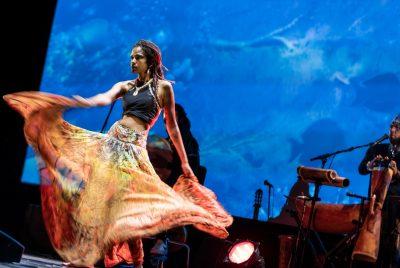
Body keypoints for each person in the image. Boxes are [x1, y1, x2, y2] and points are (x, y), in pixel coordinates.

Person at [3, 39, 232, 268]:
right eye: (131, 57)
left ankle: (138, 261)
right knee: (101, 205)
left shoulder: (164, 89)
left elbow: (172, 128)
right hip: (112, 146)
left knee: (127, 210)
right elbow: (102, 98)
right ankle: (88, 258)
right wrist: (80, 101)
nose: (132, 61)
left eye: (137, 57)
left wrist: (184, 163)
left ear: (150, 60)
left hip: (134, 153)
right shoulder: (125, 86)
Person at [358, 115, 400, 267]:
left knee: (391, 246)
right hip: (374, 203)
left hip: (396, 204)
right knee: (372, 243)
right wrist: (371, 164)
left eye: (397, 127)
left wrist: (397, 172)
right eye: (391, 126)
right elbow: (361, 169)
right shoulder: (377, 148)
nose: (392, 129)